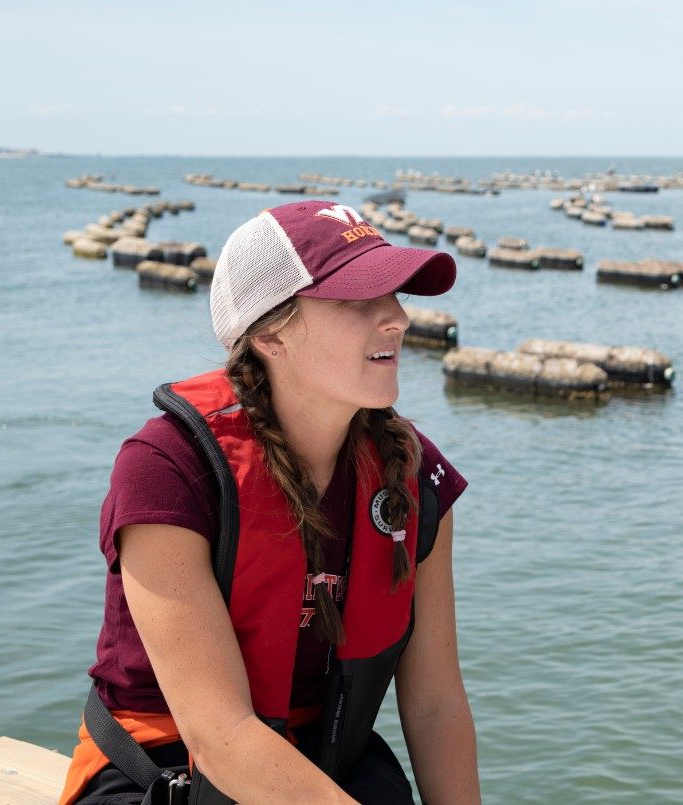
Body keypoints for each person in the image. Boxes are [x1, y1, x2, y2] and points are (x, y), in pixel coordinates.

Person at [60, 201, 481, 804]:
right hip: (162, 768)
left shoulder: (411, 476)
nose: (397, 318)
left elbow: (437, 702)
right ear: (268, 335)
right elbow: (221, 738)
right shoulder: (166, 469)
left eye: (396, 294)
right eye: (359, 299)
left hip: (330, 755)